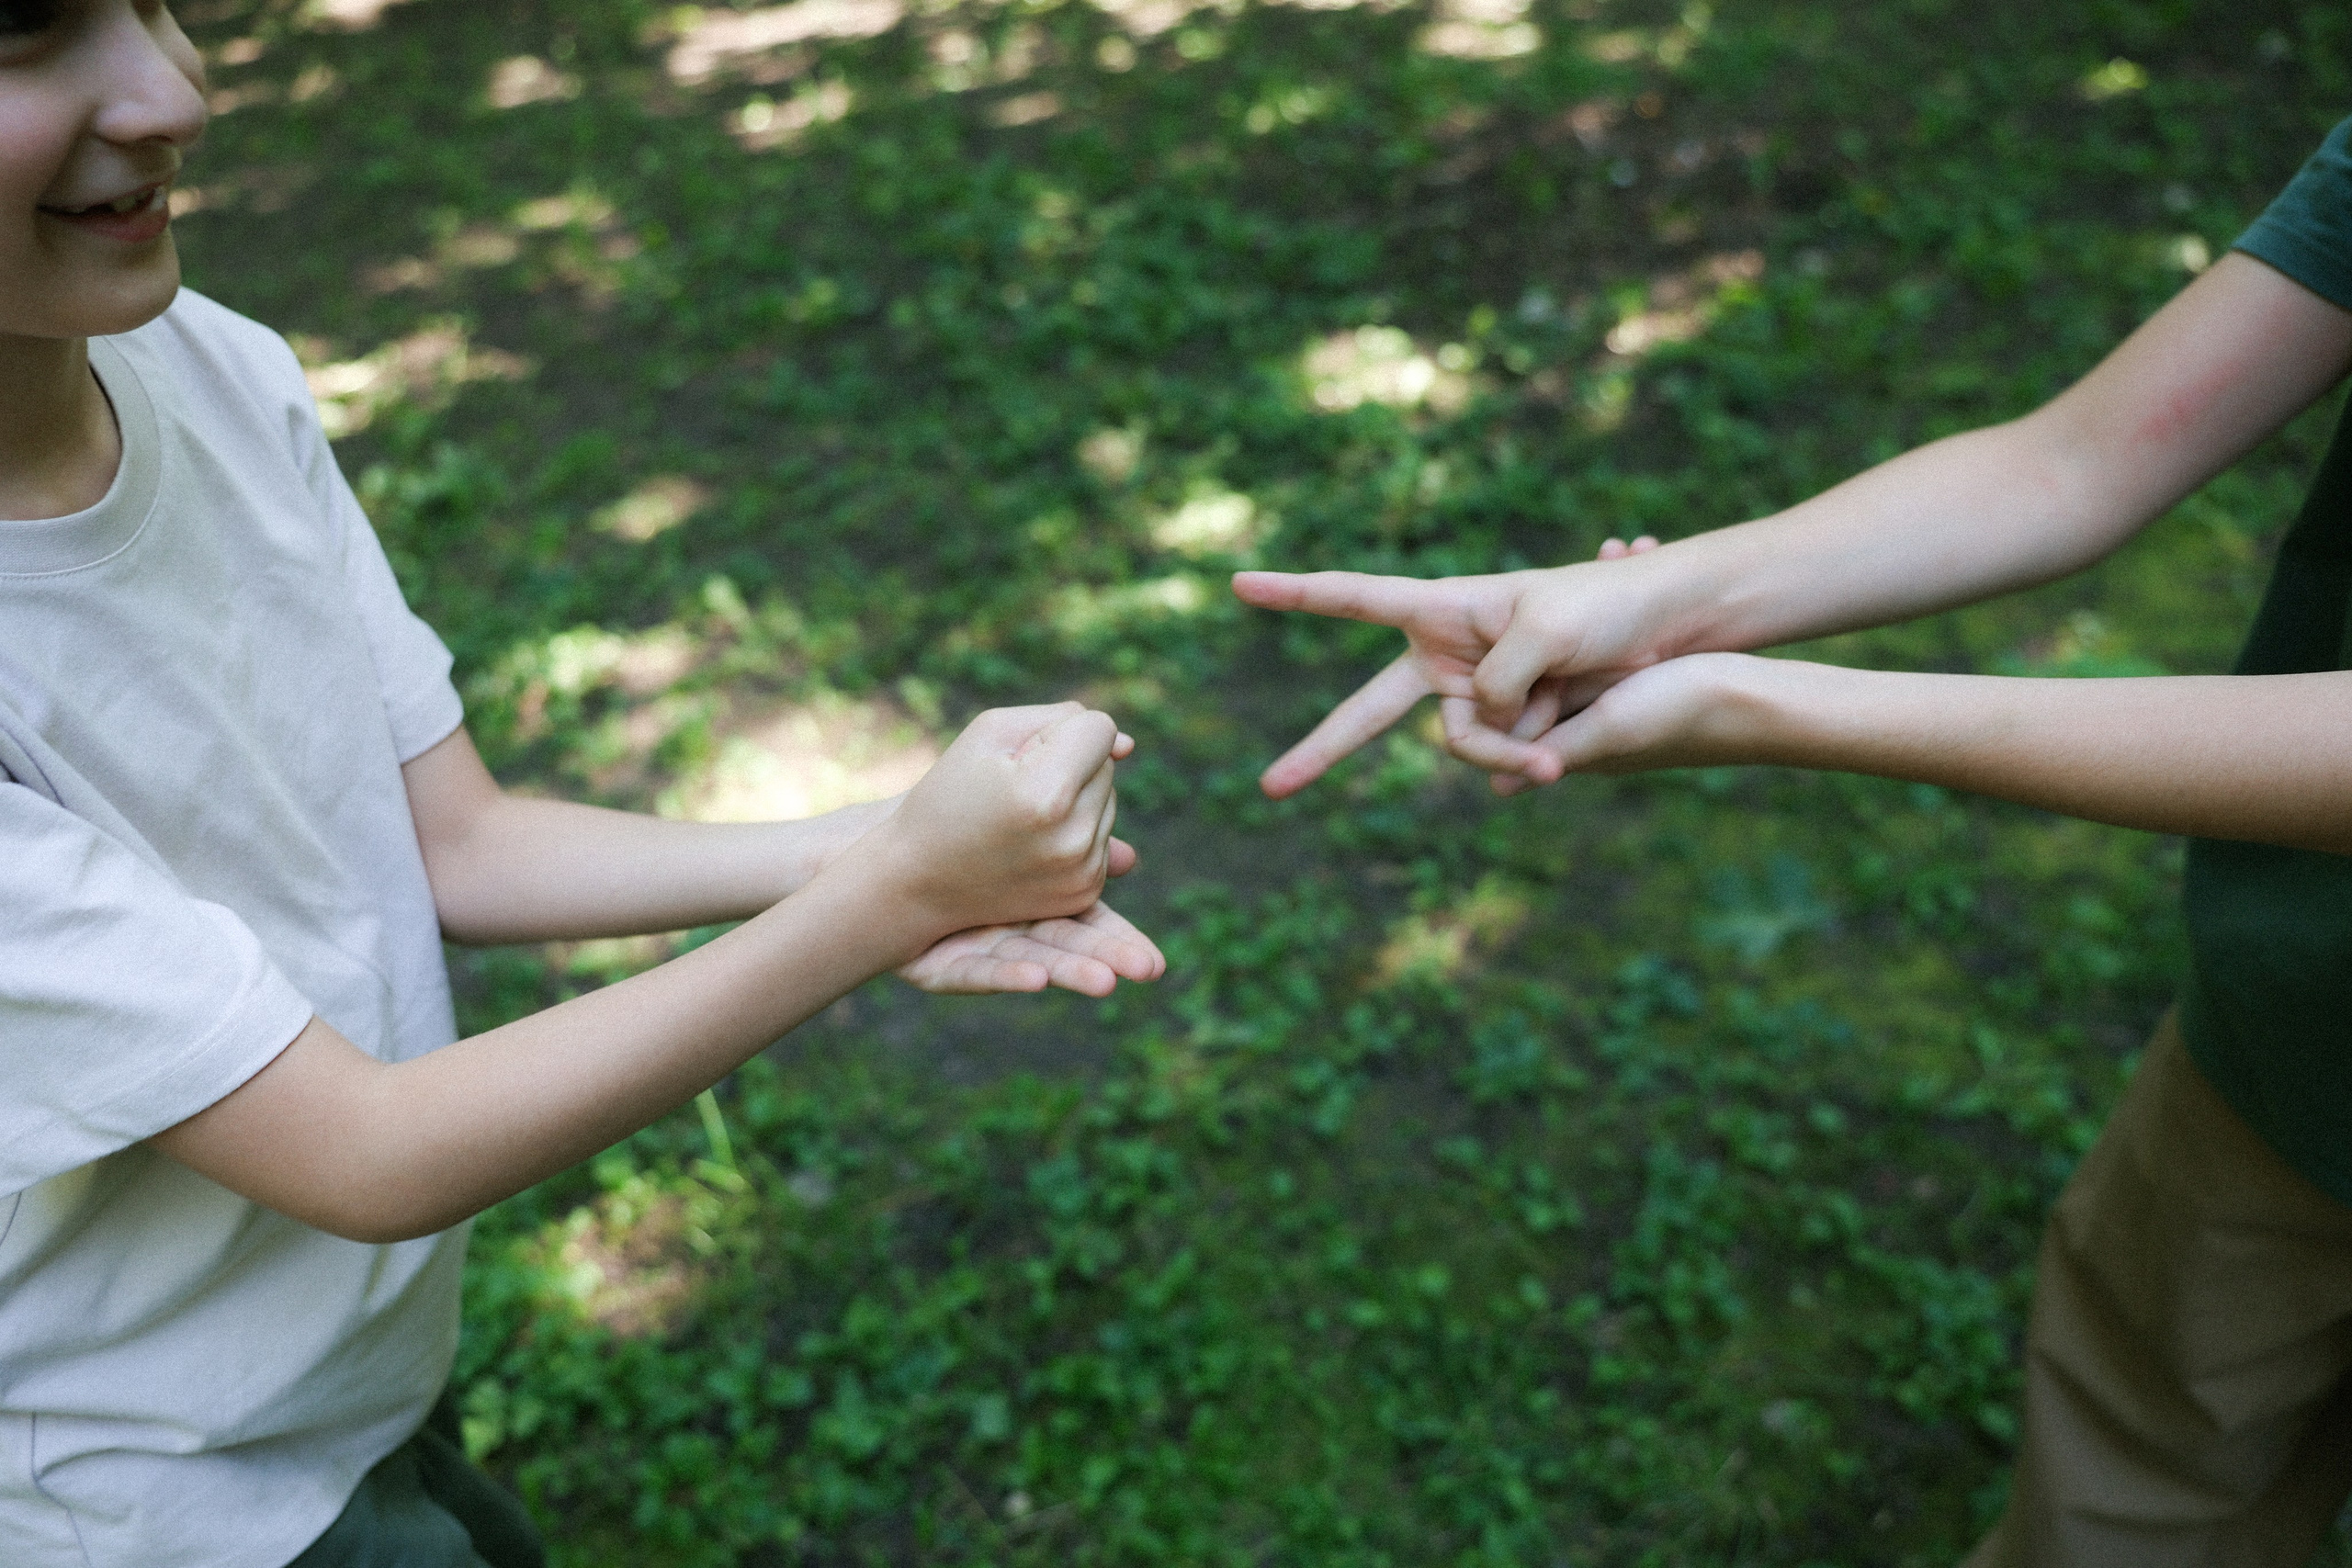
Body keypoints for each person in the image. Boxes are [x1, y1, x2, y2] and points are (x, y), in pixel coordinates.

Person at [0, 3, 1163, 1565]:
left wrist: (875, 852)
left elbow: (458, 843)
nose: (175, 91)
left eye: (156, 1)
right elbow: (367, 1151)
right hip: (147, 1506)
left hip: (321, 1396)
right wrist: (900, 894)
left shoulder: (211, 369)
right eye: (25, 29)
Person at [1237, 115, 2352, 1564]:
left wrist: (1769, 700)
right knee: (2131, 1482)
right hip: (2297, 1035)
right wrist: (1662, 597)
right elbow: (2075, 460)